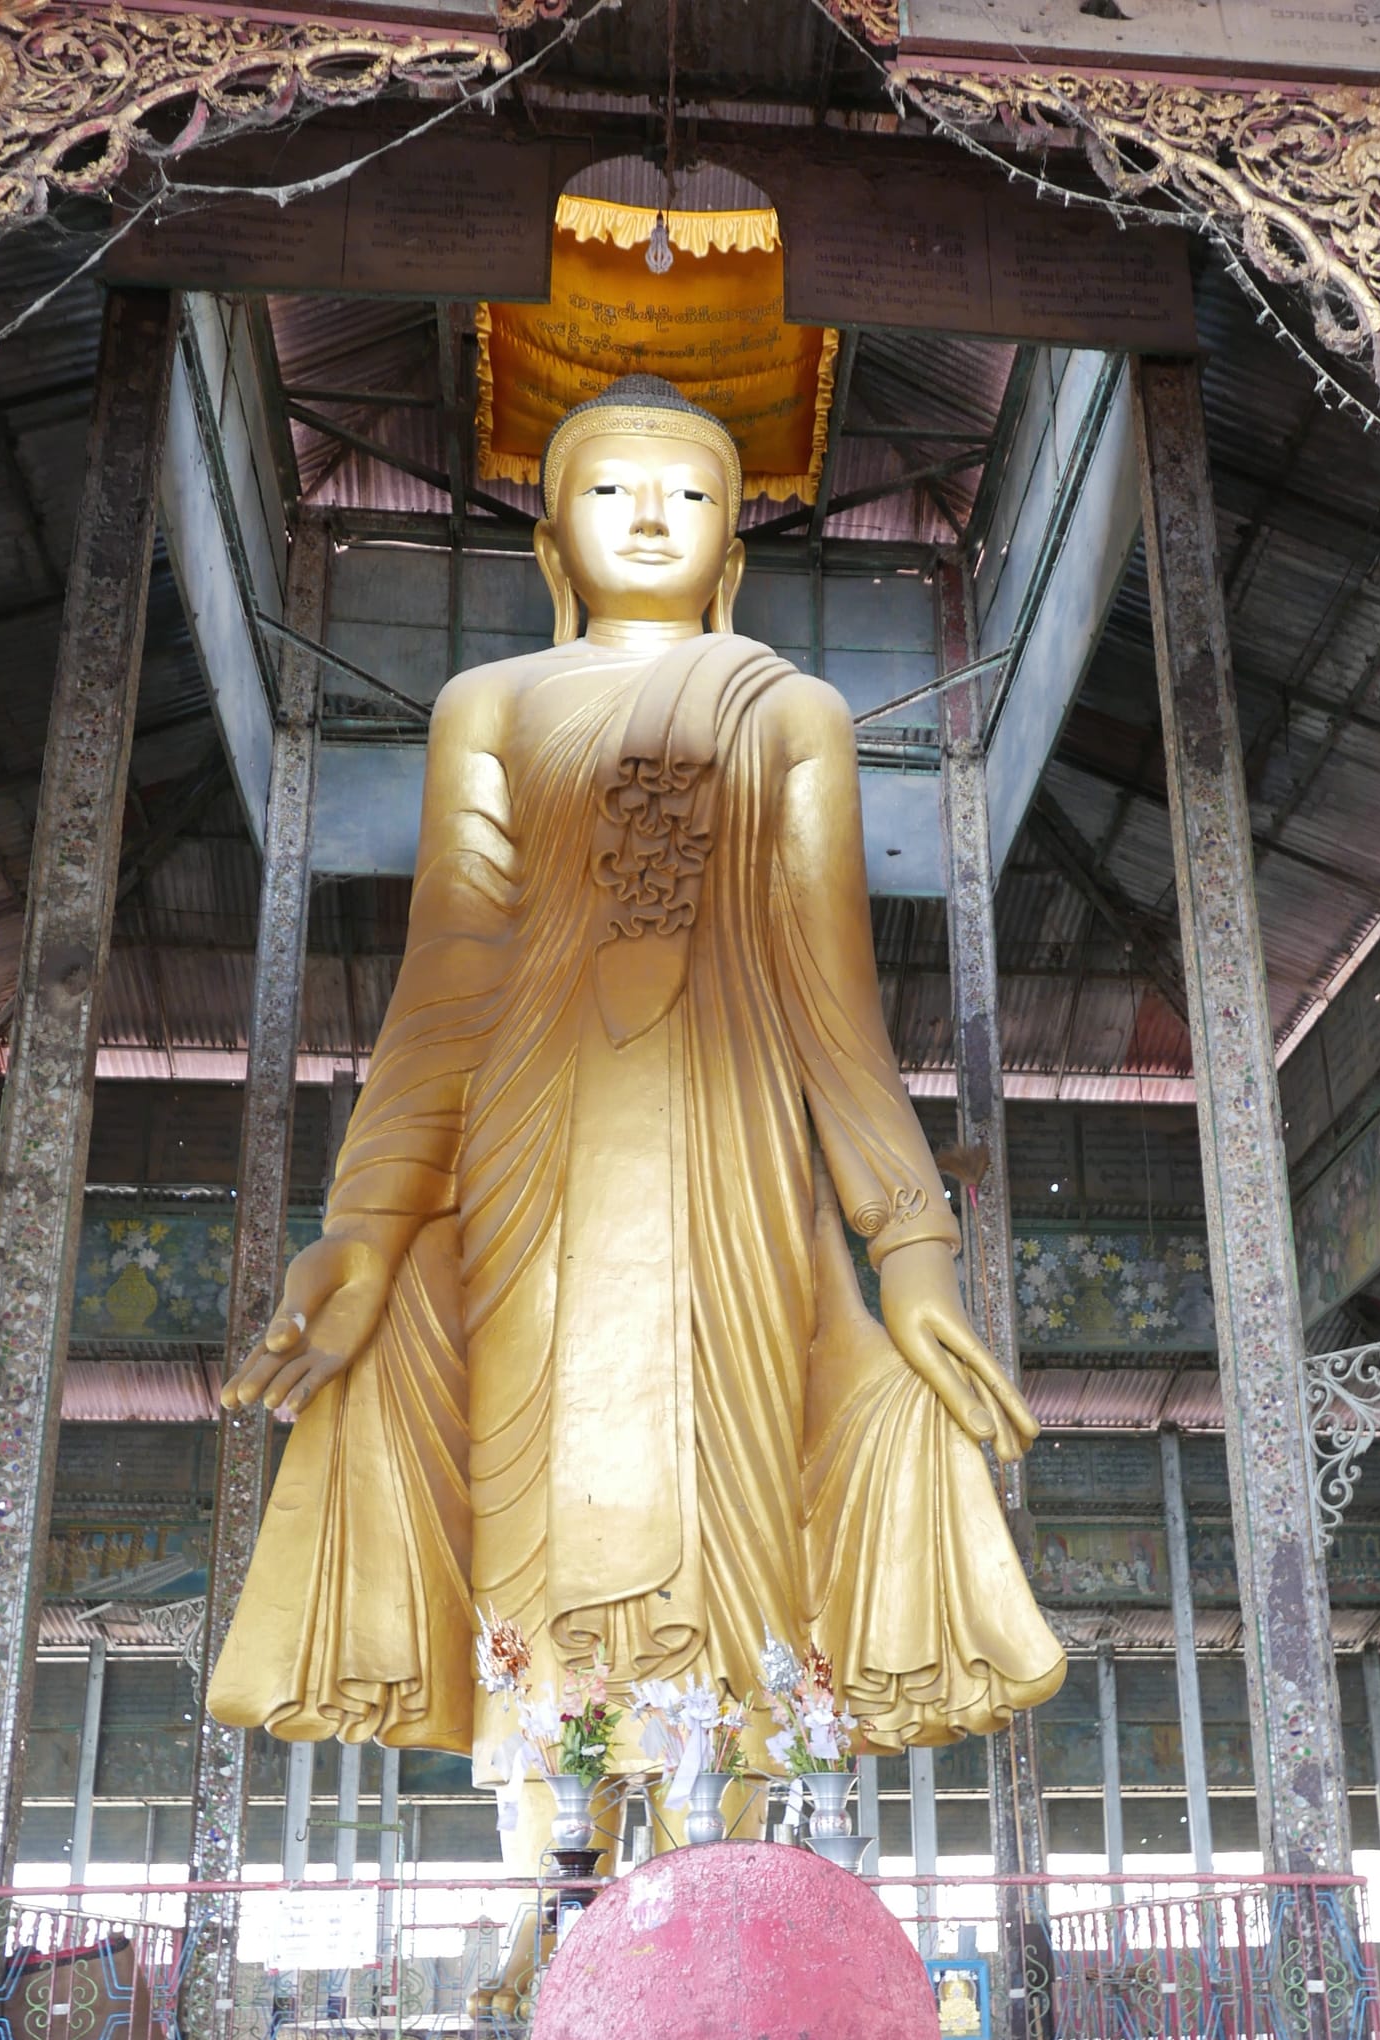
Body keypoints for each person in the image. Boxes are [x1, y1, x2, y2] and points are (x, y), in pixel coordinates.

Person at [210, 374, 1064, 1890]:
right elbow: (447, 982)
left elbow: (832, 1001)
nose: (652, 512)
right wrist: (362, 1228)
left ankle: (716, 1892)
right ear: (554, 543)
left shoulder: (793, 711)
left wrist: (912, 1244)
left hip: (736, 1169)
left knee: (732, 1505)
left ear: (734, 546)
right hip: (532, 1161)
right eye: (610, 489)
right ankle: (561, 1898)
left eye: (689, 492)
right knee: (533, 1514)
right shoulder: (493, 707)